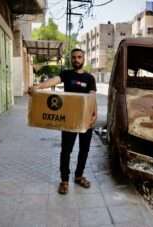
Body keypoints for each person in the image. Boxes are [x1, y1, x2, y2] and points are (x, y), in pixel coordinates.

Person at [29, 48, 97, 195]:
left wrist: (94, 114)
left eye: (79, 57)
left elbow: (92, 97)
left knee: (84, 150)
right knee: (66, 151)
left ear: (83, 59)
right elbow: (54, 80)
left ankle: (79, 176)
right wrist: (38, 86)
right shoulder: (66, 74)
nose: (76, 60)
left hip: (85, 120)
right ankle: (64, 180)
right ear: (71, 59)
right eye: (74, 57)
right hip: (69, 120)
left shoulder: (90, 78)